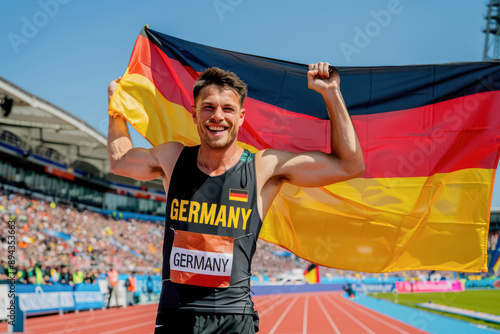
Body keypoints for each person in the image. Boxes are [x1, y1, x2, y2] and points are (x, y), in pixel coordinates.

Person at [107, 62, 364, 333]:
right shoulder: (173, 159)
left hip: (233, 320)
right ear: (194, 115)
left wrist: (331, 92)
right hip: (176, 318)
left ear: (241, 117)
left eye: (227, 109)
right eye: (208, 107)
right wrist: (115, 106)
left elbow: (349, 165)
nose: (217, 116)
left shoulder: (262, 168)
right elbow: (120, 162)